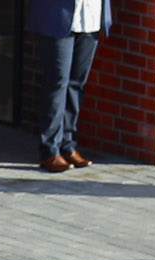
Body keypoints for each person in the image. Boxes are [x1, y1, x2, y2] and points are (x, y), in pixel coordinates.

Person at [27, 0, 109, 173]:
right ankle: (49, 150)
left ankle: (68, 145)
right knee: (57, 83)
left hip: (90, 17)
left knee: (76, 84)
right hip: (57, 17)